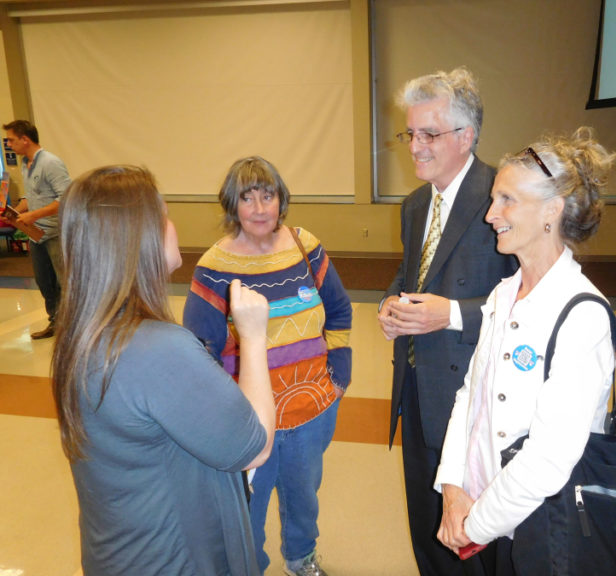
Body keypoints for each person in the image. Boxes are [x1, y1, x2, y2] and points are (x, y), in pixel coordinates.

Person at [51, 166, 275, 575]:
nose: (172, 226)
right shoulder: (158, 348)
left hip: (119, 553)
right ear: (139, 238)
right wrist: (254, 337)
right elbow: (254, 446)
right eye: (165, 215)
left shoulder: (82, 335)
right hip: (173, 559)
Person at [435, 127, 616, 574]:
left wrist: (475, 524)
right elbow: (470, 395)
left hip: (541, 524)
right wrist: (453, 485)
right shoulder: (502, 294)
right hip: (480, 507)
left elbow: (549, 458)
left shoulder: (583, 314)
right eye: (494, 199)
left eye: (507, 200)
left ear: (551, 212)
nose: (490, 215)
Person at [377, 67, 517, 576]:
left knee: (473, 533)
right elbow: (411, 271)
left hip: (477, 399)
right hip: (415, 385)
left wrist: (452, 313)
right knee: (425, 522)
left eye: (428, 134)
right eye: (410, 133)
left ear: (467, 136)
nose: (415, 146)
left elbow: (529, 302)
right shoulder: (416, 205)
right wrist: (392, 305)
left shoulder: (502, 197)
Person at [183, 156, 352, 576]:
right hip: (248, 420)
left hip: (312, 407)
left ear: (282, 199)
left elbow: (340, 310)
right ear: (231, 205)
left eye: (268, 195)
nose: (260, 208)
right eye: (247, 198)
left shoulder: (304, 246)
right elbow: (199, 350)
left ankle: (301, 558)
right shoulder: (215, 266)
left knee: (303, 496)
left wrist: (340, 373)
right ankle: (249, 567)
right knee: (248, 507)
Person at [2, 120, 71, 338]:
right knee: (45, 282)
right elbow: (31, 198)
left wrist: (32, 215)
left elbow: (66, 198)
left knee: (64, 282)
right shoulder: (25, 163)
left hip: (55, 234)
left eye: (11, 140)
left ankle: (72, 328)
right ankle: (56, 323)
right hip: (35, 235)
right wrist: (13, 211)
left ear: (25, 139)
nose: (9, 145)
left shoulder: (51, 163)